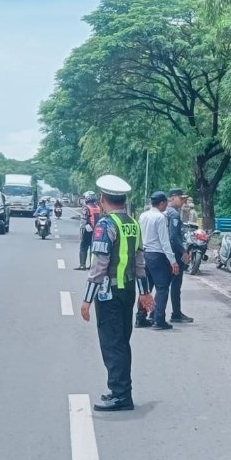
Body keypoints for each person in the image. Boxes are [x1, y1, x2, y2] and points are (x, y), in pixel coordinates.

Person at [79, 175, 153, 412]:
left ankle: (121, 395)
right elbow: (140, 262)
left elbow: (99, 266)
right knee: (122, 341)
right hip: (128, 291)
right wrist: (145, 293)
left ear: (102, 199)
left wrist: (87, 299)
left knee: (113, 344)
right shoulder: (132, 223)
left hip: (108, 294)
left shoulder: (105, 225)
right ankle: (121, 390)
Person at [138, 192, 180, 331]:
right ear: (162, 203)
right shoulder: (160, 217)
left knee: (146, 288)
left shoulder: (143, 216)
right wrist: (173, 261)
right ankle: (159, 319)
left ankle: (141, 317)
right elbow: (164, 241)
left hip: (145, 254)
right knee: (162, 288)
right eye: (165, 203)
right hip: (157, 255)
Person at [165, 188, 194, 324]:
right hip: (174, 253)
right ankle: (176, 313)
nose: (183, 202)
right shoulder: (174, 214)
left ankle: (153, 313)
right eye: (181, 199)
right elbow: (174, 237)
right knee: (176, 284)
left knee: (162, 284)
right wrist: (183, 251)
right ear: (173, 198)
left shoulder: (165, 211)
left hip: (164, 252)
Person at [76, 191, 103, 271]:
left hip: (87, 229)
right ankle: (92, 265)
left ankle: (82, 265)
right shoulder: (98, 207)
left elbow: (84, 219)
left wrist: (82, 231)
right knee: (93, 248)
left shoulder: (86, 207)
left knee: (83, 247)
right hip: (96, 230)